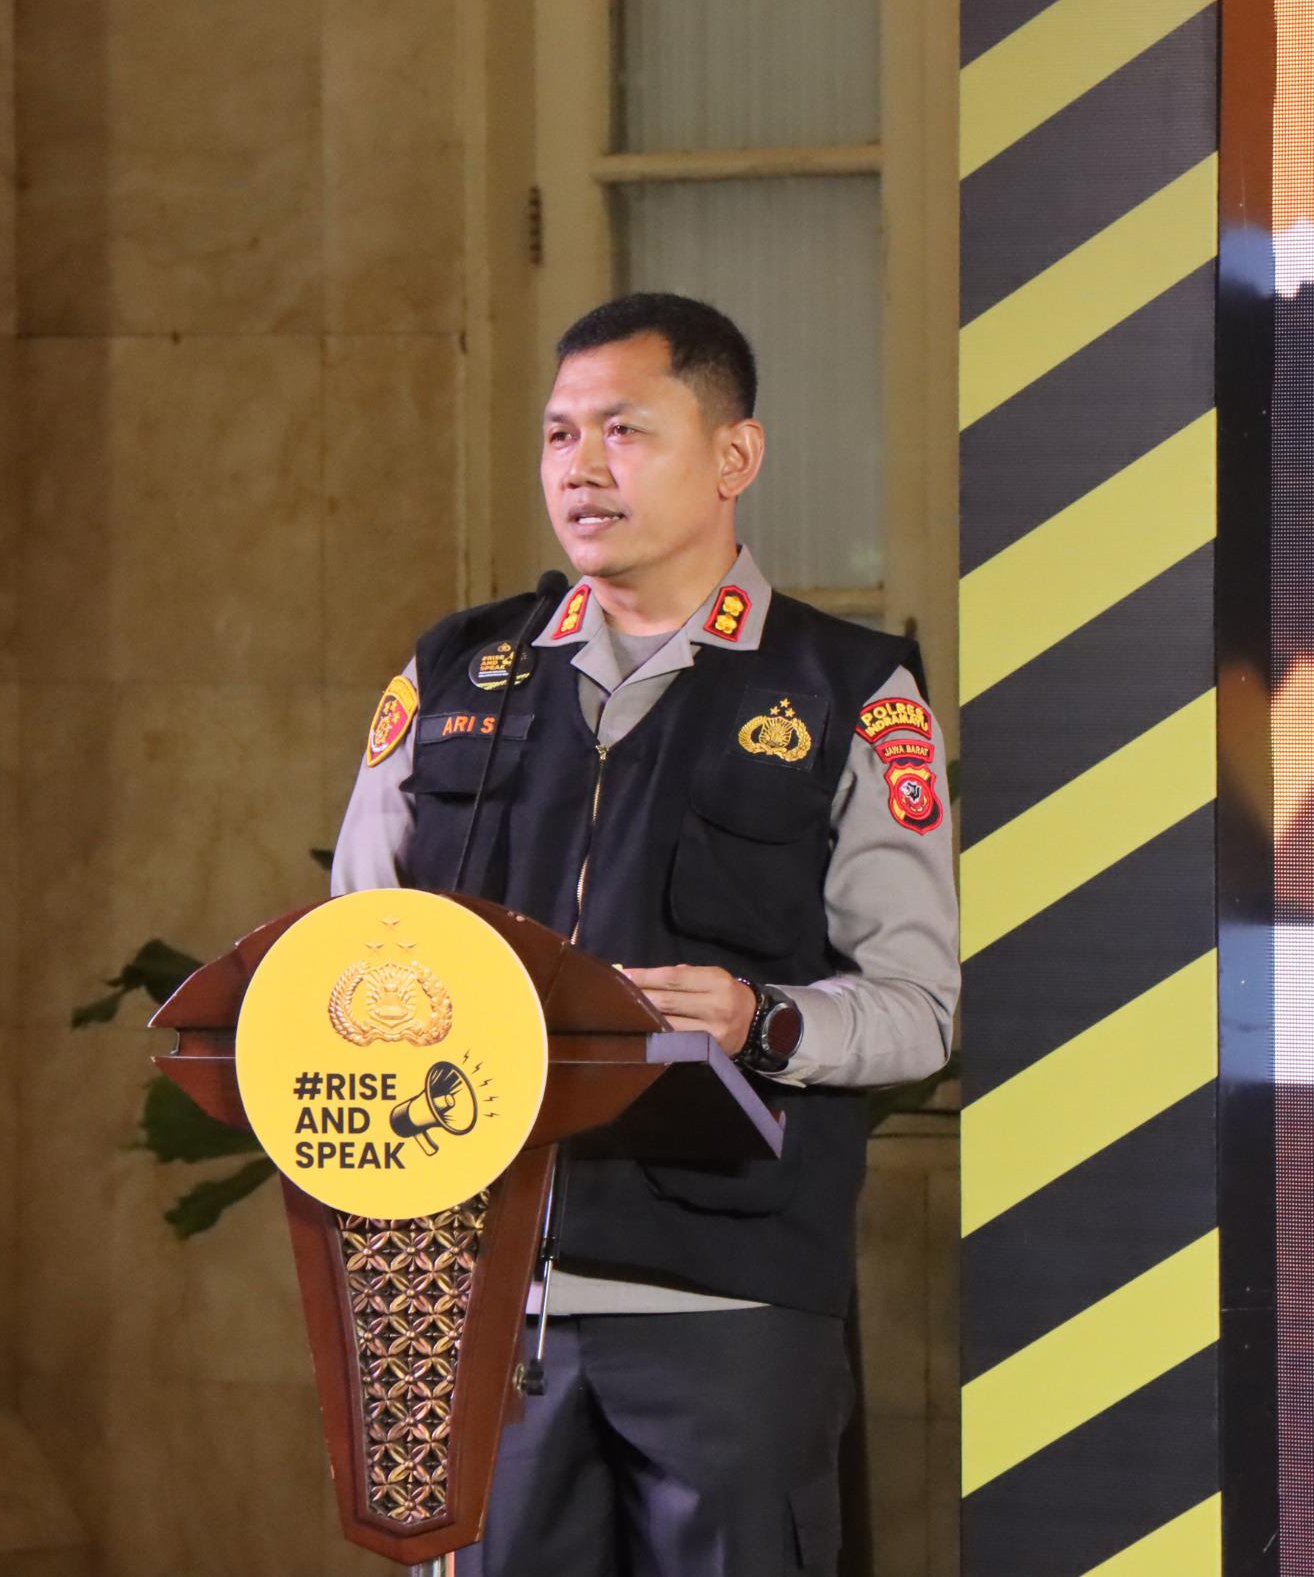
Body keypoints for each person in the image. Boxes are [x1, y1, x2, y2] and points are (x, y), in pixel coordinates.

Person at [330, 292, 960, 1576]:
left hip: (728, 1302)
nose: (581, 466)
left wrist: (758, 1017)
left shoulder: (845, 688)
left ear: (734, 455)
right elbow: (349, 958)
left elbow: (919, 1007)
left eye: (624, 430)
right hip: (477, 1295)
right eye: (559, 434)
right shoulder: (453, 675)